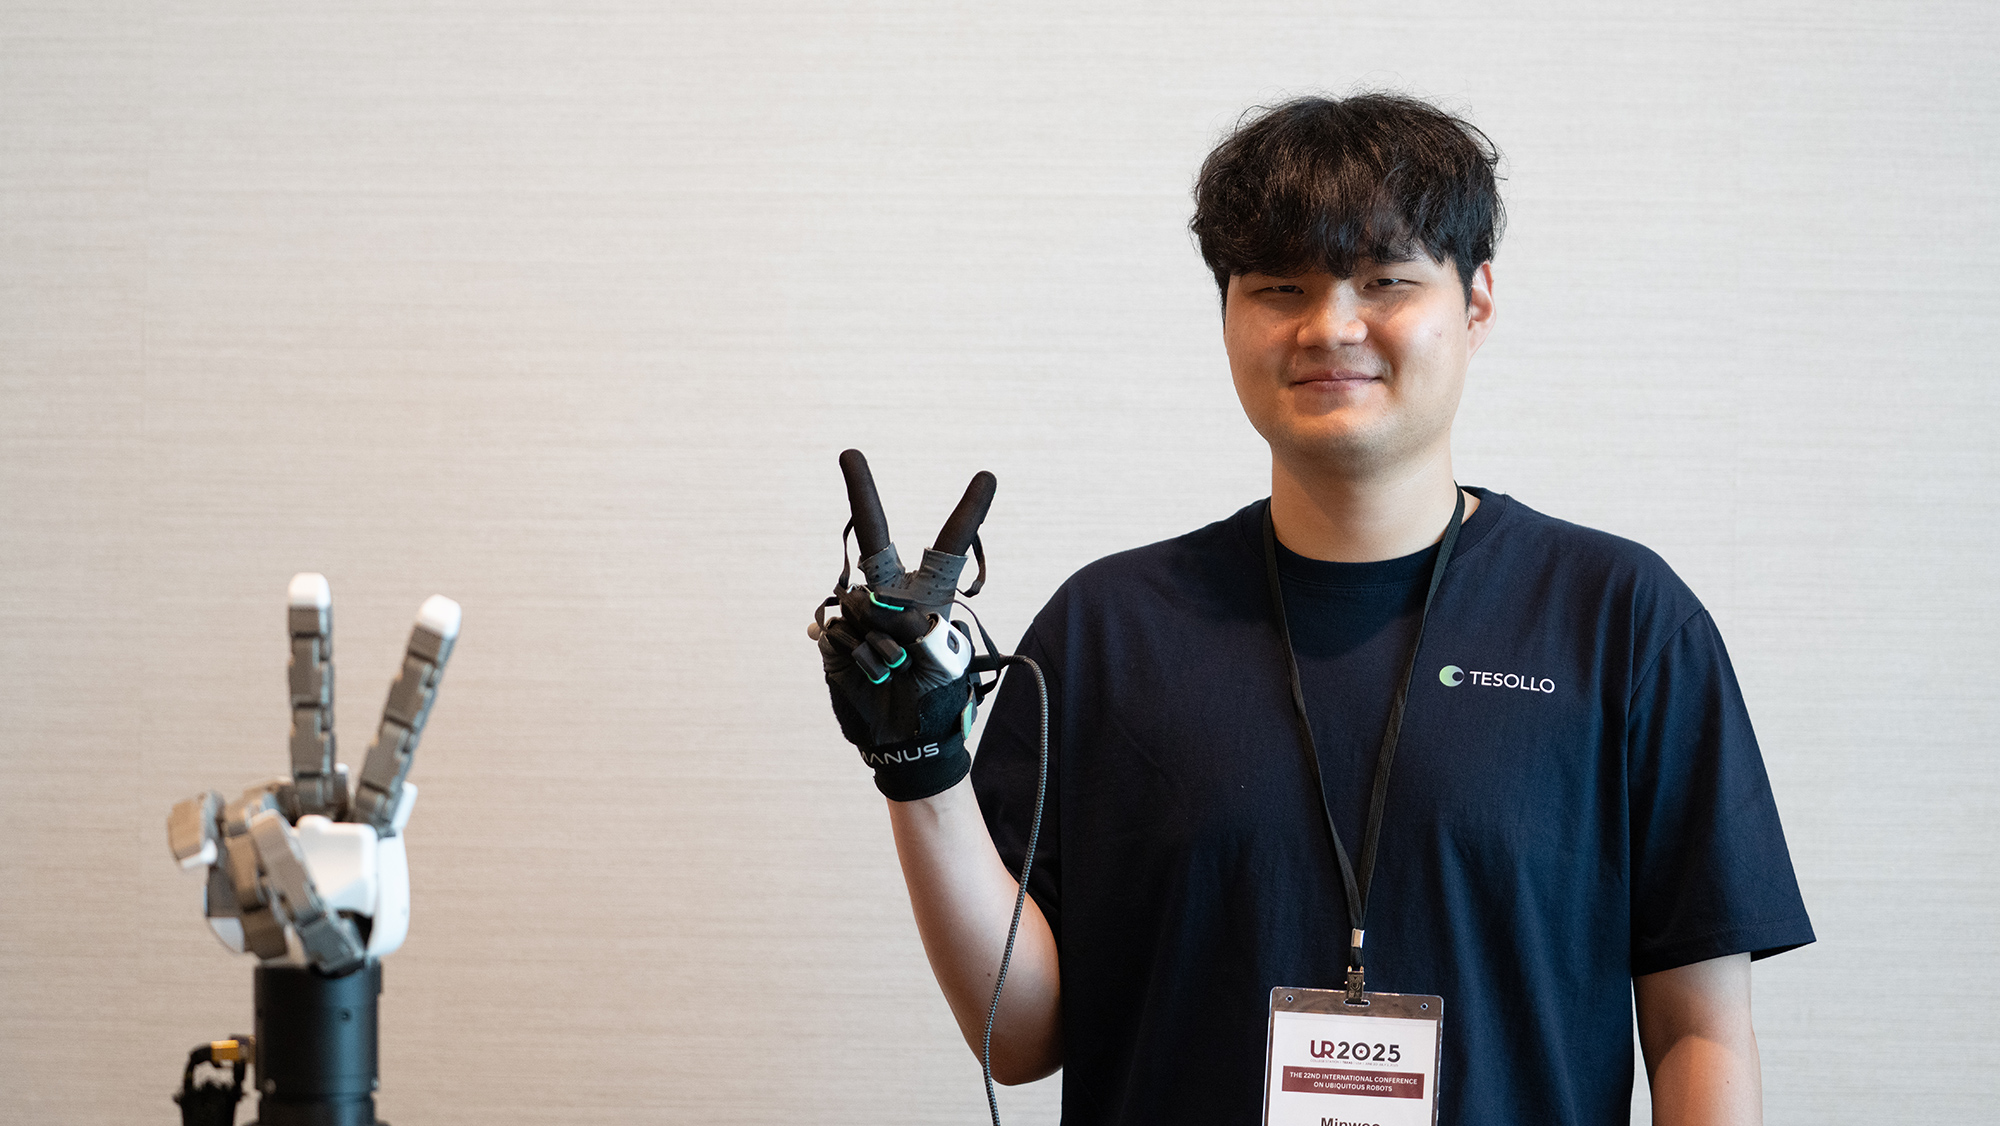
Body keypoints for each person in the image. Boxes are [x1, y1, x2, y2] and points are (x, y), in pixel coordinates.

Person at [815, 92, 1814, 1125]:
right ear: (1226, 315)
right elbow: (1018, 1039)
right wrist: (919, 767)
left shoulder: (1621, 621)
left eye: (1385, 279)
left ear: (1475, 300)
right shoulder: (1106, 630)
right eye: (1278, 285)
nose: (1330, 325)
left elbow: (1696, 1030)